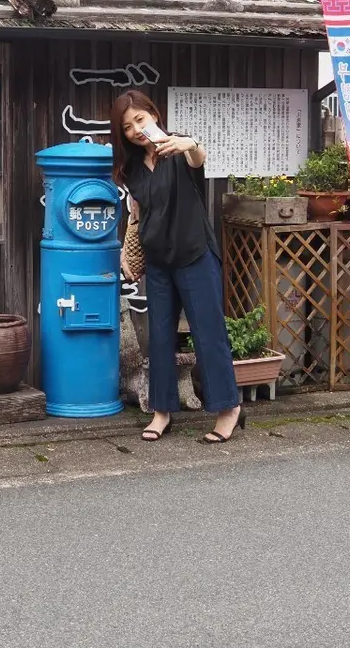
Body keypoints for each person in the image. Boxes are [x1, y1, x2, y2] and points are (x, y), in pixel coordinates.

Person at [112, 89, 245, 444]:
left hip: (194, 254)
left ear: (153, 114)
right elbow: (138, 215)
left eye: (140, 119)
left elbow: (199, 157)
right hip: (158, 262)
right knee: (159, 338)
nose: (136, 129)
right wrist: (129, 250)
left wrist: (187, 143)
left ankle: (228, 408)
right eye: (127, 127)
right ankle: (162, 411)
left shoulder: (178, 150)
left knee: (208, 334)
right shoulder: (132, 169)